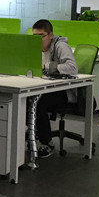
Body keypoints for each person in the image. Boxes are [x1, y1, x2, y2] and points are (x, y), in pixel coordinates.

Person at [32, 19, 78, 158]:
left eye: (41, 36)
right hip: (42, 87)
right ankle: (31, 137)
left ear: (50, 35)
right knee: (26, 100)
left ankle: (47, 143)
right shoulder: (32, 47)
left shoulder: (60, 46)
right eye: (35, 36)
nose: (37, 40)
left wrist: (46, 67)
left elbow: (72, 68)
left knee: (38, 103)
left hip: (62, 91)